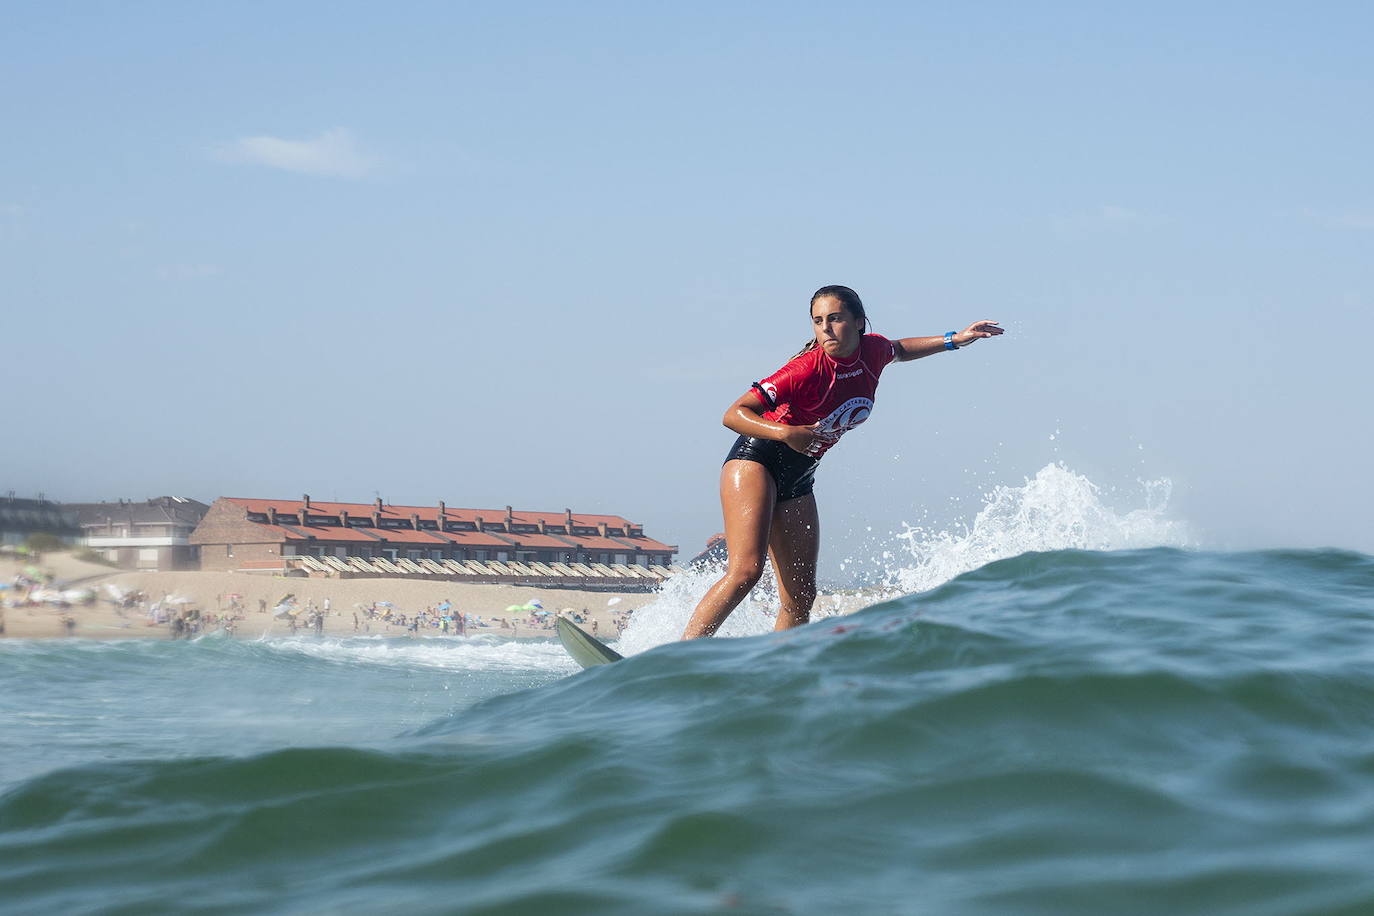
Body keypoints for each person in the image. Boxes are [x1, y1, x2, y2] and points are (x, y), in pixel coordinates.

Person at [682, 285, 1004, 639]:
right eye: (818, 321)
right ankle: (681, 656)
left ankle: (782, 668)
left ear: (859, 322)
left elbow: (898, 349)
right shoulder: (805, 369)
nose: (826, 328)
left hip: (800, 475)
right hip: (757, 459)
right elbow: (734, 414)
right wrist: (785, 433)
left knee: (801, 595)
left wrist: (955, 339)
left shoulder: (873, 350)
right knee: (746, 571)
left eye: (834, 319)